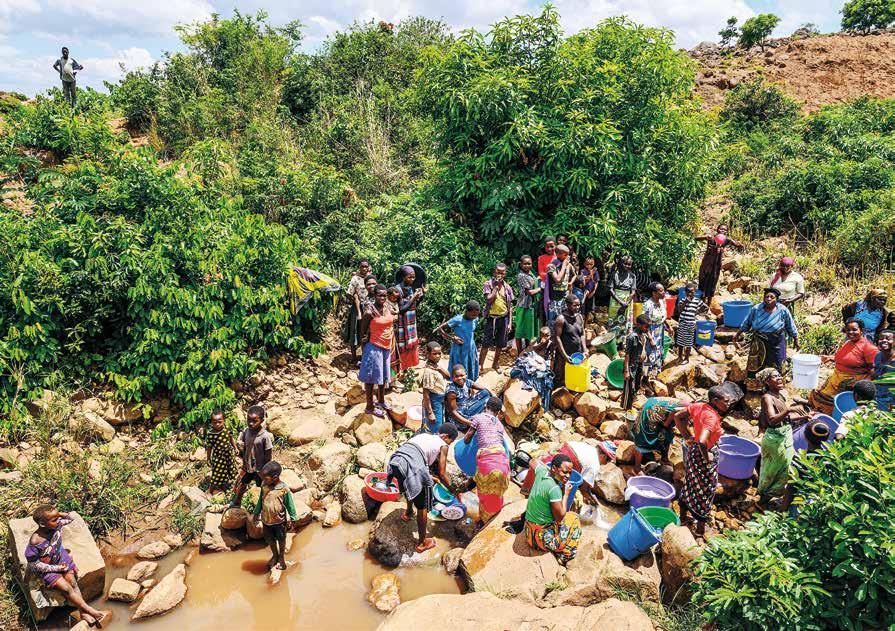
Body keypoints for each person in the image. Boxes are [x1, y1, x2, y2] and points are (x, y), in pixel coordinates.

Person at [25, 506, 111, 628]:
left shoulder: (57, 525)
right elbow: (34, 565)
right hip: (49, 568)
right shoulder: (35, 542)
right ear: (42, 524)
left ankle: (83, 613)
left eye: (58, 517)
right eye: (54, 519)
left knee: (73, 582)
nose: (58, 520)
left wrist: (58, 514)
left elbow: (71, 518)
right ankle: (90, 610)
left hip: (61, 558)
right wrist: (57, 569)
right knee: (65, 589)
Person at [386, 424, 459, 553]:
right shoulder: (443, 445)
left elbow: (414, 455)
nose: (450, 444)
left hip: (397, 460)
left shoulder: (424, 435)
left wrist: (431, 476)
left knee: (409, 485)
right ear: (446, 437)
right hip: (412, 465)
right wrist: (453, 490)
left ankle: (408, 512)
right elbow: (442, 473)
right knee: (423, 505)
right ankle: (422, 543)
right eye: (451, 441)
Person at [675, 386, 731, 536]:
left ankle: (682, 516)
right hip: (704, 454)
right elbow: (701, 442)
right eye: (726, 401)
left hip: (694, 453)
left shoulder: (699, 406)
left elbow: (678, 416)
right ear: (715, 401)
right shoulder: (711, 417)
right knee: (707, 490)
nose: (729, 403)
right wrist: (707, 458)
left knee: (690, 482)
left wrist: (687, 437)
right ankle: (700, 529)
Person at [755, 368, 808, 501]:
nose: (779, 378)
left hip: (784, 436)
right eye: (774, 377)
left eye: (779, 375)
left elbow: (784, 419)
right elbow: (772, 420)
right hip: (775, 439)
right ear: (767, 381)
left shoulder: (780, 396)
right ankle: (763, 499)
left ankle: (769, 496)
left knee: (784, 468)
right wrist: (789, 409)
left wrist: (805, 416)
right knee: (773, 471)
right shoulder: (767, 398)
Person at [731, 287, 799, 387]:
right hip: (759, 341)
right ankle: (755, 386)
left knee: (778, 363)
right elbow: (747, 322)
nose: (769, 299)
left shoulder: (783, 310)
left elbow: (790, 326)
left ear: (777, 299)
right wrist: (737, 334)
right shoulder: (756, 309)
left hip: (777, 342)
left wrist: (796, 340)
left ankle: (776, 387)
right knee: (756, 364)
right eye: (766, 296)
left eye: (772, 297)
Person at [809, 318, 878, 414]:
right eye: (848, 330)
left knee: (833, 400)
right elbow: (846, 357)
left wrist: (862, 386)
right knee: (818, 392)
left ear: (861, 330)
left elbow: (874, 369)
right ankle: (814, 408)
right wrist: (830, 358)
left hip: (850, 382)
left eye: (854, 329)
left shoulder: (868, 348)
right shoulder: (848, 343)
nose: (851, 332)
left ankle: (827, 416)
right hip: (837, 377)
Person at [523, 454, 582, 565]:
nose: (568, 476)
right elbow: (560, 518)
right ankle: (565, 556)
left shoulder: (542, 472)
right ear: (554, 468)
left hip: (528, 533)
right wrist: (566, 494)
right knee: (574, 518)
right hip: (540, 541)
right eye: (564, 472)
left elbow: (533, 461)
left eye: (570, 472)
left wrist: (526, 488)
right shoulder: (554, 489)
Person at [465, 397, 510, 525]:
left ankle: (484, 521)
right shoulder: (500, 425)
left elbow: (467, 438)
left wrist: (469, 442)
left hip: (488, 461)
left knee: (485, 493)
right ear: (498, 411)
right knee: (496, 493)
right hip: (502, 460)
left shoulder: (478, 418)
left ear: (486, 406)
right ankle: (495, 518)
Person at [252, 461, 299, 571]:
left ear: (275, 477)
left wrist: (293, 518)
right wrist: (256, 513)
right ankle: (275, 555)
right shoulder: (264, 486)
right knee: (270, 539)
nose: (263, 480)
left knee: (281, 540)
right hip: (266, 521)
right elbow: (260, 500)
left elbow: (289, 504)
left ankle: (281, 559)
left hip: (279, 521)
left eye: (266, 478)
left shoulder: (283, 489)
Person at [359, 285, 396, 417]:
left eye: (384, 295)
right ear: (374, 296)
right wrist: (364, 347)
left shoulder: (387, 308)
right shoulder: (369, 312)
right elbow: (362, 333)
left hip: (386, 347)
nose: (382, 298)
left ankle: (381, 401)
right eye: (380, 295)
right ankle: (369, 407)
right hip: (374, 347)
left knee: (384, 376)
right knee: (370, 378)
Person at [778, 421, 830, 512]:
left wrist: (783, 510)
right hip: (821, 504)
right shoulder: (830, 459)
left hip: (801, 504)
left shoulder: (800, 459)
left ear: (805, 436)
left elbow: (791, 487)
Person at [232, 405, 273, 507]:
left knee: (262, 487)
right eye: (248, 420)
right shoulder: (246, 431)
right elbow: (244, 447)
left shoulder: (265, 436)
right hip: (248, 466)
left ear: (262, 421)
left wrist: (266, 469)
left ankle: (263, 506)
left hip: (260, 469)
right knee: (242, 483)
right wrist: (244, 462)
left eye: (254, 421)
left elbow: (268, 454)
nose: (251, 423)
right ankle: (237, 502)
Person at [632, 397, 686, 474]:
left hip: (658, 408)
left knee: (668, 435)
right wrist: (666, 425)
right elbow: (674, 411)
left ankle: (664, 459)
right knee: (643, 438)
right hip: (651, 409)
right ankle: (637, 466)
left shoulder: (694, 408)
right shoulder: (690, 410)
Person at [434, 300, 481, 383]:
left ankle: (469, 384)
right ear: (467, 311)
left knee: (470, 366)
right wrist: (452, 338)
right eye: (473, 314)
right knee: (459, 368)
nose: (475, 317)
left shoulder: (475, 319)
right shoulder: (457, 320)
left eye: (477, 314)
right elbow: (440, 329)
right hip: (460, 349)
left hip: (470, 348)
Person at [696, 224, 744, 302]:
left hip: (716, 265)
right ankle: (702, 303)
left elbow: (737, 244)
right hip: (707, 263)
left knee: (713, 282)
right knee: (703, 281)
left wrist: (740, 245)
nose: (723, 231)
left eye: (725, 230)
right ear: (717, 229)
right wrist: (705, 237)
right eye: (721, 229)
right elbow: (696, 238)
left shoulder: (726, 240)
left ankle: (708, 305)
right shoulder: (711, 237)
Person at [480, 263, 515, 371]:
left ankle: (495, 364)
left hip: (503, 318)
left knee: (500, 343)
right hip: (491, 318)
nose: (499, 274)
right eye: (498, 272)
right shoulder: (488, 284)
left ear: (505, 273)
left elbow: (509, 307)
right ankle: (480, 365)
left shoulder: (507, 287)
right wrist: (495, 287)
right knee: (486, 343)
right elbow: (489, 299)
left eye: (502, 272)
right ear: (494, 272)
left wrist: (509, 323)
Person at [553, 295, 586, 388]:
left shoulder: (579, 317)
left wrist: (585, 349)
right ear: (567, 305)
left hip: (577, 355)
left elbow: (582, 334)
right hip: (564, 355)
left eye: (579, 305)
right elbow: (557, 338)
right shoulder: (561, 319)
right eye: (575, 305)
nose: (578, 307)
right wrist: (565, 356)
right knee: (561, 379)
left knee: (574, 377)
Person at [642, 282, 674, 378]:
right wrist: (650, 338)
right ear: (654, 293)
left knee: (659, 350)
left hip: (660, 330)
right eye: (661, 291)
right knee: (650, 352)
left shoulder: (661, 302)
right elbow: (644, 324)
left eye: (663, 290)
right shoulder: (648, 305)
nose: (664, 292)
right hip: (650, 331)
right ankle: (646, 375)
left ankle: (656, 371)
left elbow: (663, 317)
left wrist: (669, 327)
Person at [396, 267, 424, 373]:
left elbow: (414, 305)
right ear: (403, 277)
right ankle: (397, 373)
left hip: (411, 323)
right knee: (401, 347)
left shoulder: (410, 288)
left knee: (410, 347)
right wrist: (413, 298)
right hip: (401, 325)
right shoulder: (397, 290)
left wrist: (421, 296)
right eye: (410, 277)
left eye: (414, 277)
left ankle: (407, 372)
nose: (412, 279)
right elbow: (401, 310)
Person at [343, 260, 372, 364]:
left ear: (368, 267)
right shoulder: (355, 278)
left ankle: (366, 356)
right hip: (358, 308)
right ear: (359, 267)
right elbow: (349, 293)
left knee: (367, 332)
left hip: (369, 307)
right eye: (362, 266)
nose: (364, 268)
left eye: (366, 266)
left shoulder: (370, 278)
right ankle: (354, 357)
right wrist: (356, 304)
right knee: (355, 331)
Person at [622, 314, 651, 410]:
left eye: (649, 326)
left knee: (637, 384)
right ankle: (626, 407)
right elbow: (627, 354)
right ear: (638, 325)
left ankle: (632, 400)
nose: (648, 329)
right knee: (629, 387)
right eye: (646, 326)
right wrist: (626, 370)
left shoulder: (643, 334)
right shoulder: (632, 337)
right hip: (631, 366)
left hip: (639, 364)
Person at [205, 409, 237, 494]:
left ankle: (226, 485)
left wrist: (235, 448)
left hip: (228, 454)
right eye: (215, 422)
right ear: (211, 422)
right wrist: (208, 459)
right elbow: (209, 447)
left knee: (229, 468)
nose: (217, 424)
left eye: (219, 421)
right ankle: (211, 490)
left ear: (224, 421)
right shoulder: (211, 434)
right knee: (217, 472)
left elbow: (231, 438)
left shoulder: (226, 429)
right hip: (218, 456)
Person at [420, 341, 450, 433]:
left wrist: (440, 369)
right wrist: (430, 412)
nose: (437, 356)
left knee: (439, 424)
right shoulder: (429, 371)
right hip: (434, 401)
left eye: (439, 353)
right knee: (435, 427)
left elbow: (448, 376)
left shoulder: (437, 366)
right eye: (434, 354)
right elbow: (426, 393)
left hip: (440, 399)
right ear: (428, 354)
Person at [674, 282, 707, 364]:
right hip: (682, 323)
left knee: (688, 342)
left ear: (695, 292)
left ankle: (687, 358)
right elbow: (679, 310)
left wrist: (697, 312)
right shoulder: (682, 300)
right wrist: (685, 302)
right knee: (680, 341)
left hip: (690, 323)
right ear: (685, 292)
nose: (690, 293)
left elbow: (706, 308)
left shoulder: (697, 301)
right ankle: (680, 357)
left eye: (692, 292)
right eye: (688, 292)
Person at [515, 255, 541, 353]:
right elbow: (529, 292)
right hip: (523, 306)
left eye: (529, 263)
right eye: (524, 264)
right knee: (519, 331)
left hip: (532, 306)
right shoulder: (521, 276)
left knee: (528, 331)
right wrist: (541, 288)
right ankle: (519, 353)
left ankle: (526, 352)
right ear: (520, 264)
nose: (527, 266)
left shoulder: (531, 273)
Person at [545, 244, 574, 324]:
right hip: (554, 300)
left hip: (564, 298)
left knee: (564, 322)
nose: (568, 257)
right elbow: (557, 279)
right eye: (566, 255)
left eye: (568, 254)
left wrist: (570, 283)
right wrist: (564, 265)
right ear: (558, 254)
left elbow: (573, 275)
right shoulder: (552, 266)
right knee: (553, 322)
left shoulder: (568, 265)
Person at [608, 255, 637, 328]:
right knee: (613, 321)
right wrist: (621, 302)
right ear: (621, 263)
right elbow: (611, 289)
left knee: (624, 323)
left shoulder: (632, 276)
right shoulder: (614, 274)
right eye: (625, 264)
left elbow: (633, 292)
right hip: (615, 300)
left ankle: (624, 338)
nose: (627, 266)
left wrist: (626, 303)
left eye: (629, 264)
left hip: (627, 301)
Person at [873, 329, 894, 411]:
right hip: (877, 397)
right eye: (881, 338)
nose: (884, 341)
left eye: (888, 339)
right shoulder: (878, 356)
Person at [537, 237, 557, 322]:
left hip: (557, 287)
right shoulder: (541, 258)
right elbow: (541, 273)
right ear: (544, 247)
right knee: (543, 306)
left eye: (552, 246)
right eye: (547, 247)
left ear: (555, 245)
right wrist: (553, 275)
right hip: (545, 286)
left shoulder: (558, 257)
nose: (549, 249)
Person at [580, 256, 599, 321]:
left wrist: (594, 292)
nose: (589, 266)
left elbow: (596, 282)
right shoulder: (582, 271)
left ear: (593, 264)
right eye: (587, 264)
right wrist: (591, 274)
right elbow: (585, 281)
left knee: (588, 310)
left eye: (591, 264)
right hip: (584, 291)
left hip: (591, 293)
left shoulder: (596, 272)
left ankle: (586, 325)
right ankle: (581, 326)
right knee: (582, 310)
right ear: (584, 264)